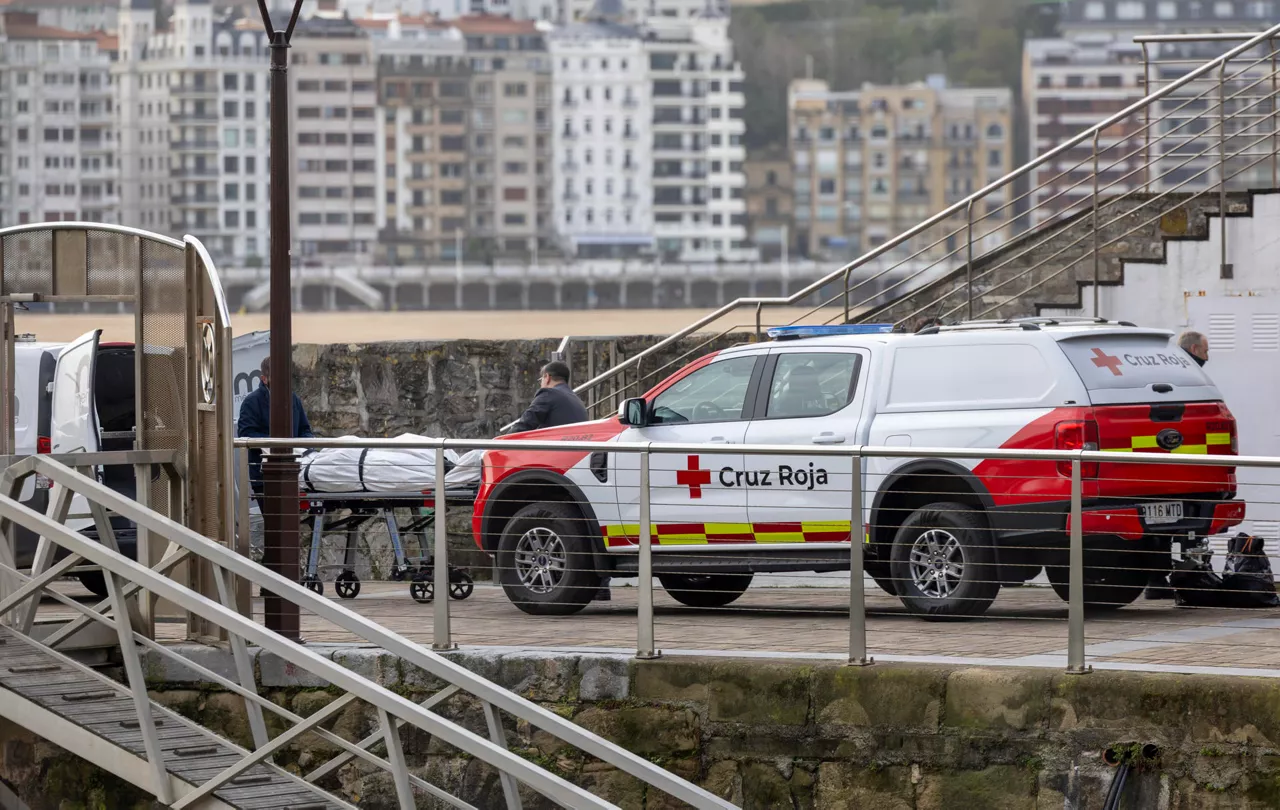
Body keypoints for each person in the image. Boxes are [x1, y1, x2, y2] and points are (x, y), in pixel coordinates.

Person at [1146, 330, 1211, 600]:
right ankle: (1189, 581)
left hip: (1161, 470)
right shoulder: (1188, 376)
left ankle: (1158, 580)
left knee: (1159, 527)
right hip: (1185, 471)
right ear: (1195, 349)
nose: (1208, 357)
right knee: (1186, 528)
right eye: (1206, 351)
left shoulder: (1162, 372)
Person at [237, 356, 315, 563]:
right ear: (264, 378)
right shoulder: (252, 402)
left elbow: (305, 430)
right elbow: (245, 434)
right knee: (276, 525)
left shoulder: (293, 399)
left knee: (285, 526)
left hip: (295, 470)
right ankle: (275, 572)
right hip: (264, 475)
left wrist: (307, 446)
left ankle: (274, 571)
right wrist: (277, 443)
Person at [506, 360, 588, 434]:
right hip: (580, 446)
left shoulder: (549, 393)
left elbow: (525, 423)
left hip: (558, 447)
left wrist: (500, 443)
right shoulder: (577, 400)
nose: (540, 384)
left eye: (541, 380)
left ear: (547, 377)